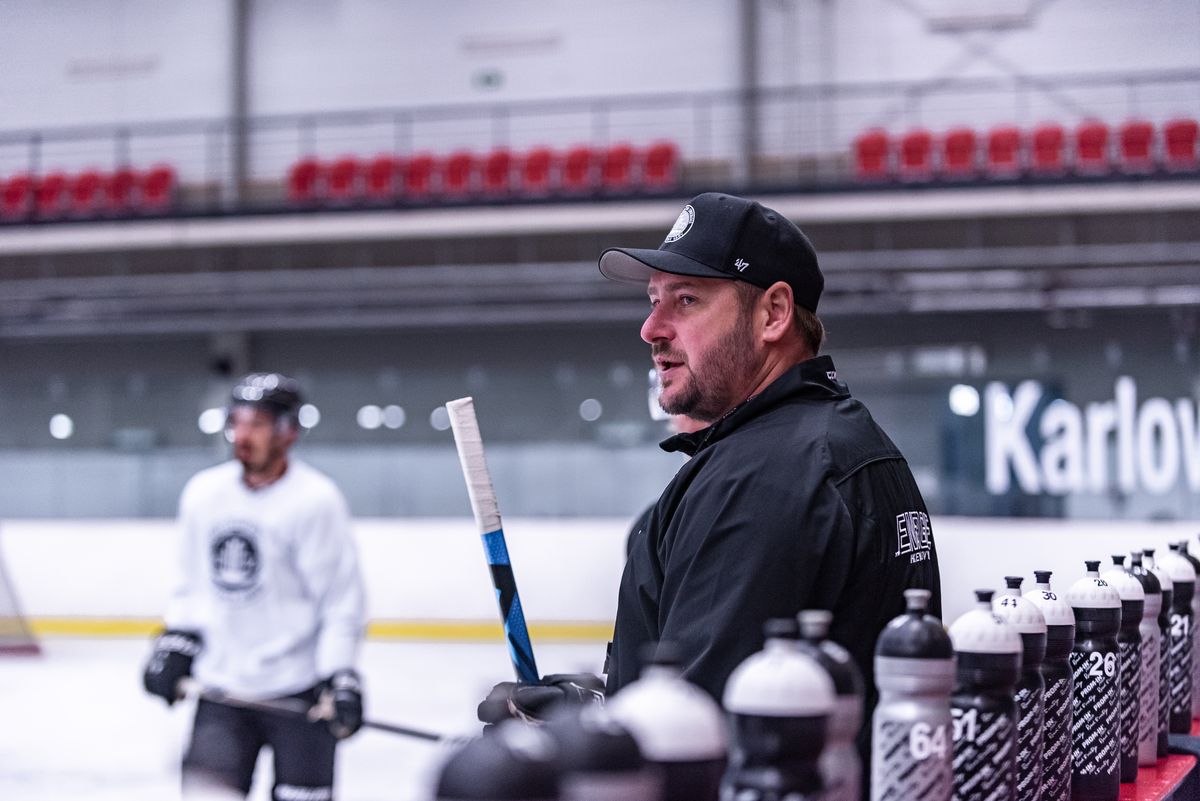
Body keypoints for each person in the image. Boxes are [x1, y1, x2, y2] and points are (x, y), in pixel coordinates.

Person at [597, 192, 941, 766]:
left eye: (686, 300)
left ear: (774, 314)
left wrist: (576, 753)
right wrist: (590, 707)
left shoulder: (758, 479)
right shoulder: (845, 441)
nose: (651, 328)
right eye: (654, 301)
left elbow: (695, 739)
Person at [142, 372, 367, 800]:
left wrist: (339, 674)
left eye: (257, 424)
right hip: (221, 691)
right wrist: (177, 639)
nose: (242, 436)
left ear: (289, 432)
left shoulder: (315, 500)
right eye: (237, 423)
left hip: (300, 695)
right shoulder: (204, 493)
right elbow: (189, 582)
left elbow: (340, 600)